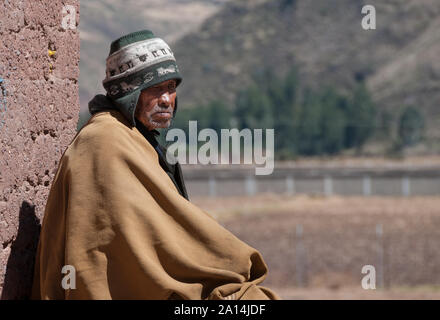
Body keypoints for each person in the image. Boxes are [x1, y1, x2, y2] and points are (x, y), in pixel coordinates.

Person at [31, 30, 279, 300]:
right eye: (155, 88)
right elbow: (124, 246)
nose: (166, 99)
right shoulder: (105, 141)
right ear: (129, 92)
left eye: (171, 88)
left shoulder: (137, 138)